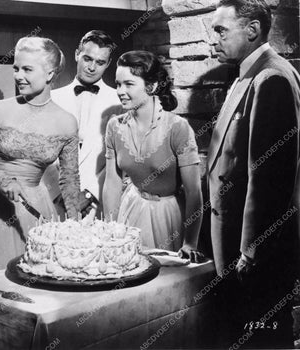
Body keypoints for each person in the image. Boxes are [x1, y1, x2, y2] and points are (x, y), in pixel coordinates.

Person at [208, 0, 300, 347]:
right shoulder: (248, 73)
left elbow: (271, 176)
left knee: (259, 338)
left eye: (220, 30)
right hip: (232, 242)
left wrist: (252, 250)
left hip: (254, 252)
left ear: (252, 30)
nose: (212, 40)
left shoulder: (271, 76)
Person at [0, 37, 81, 277]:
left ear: (49, 73)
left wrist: (75, 226)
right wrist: (0, 177)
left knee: (35, 282)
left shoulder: (66, 122)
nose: (18, 75)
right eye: (16, 68)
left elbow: (70, 181)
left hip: (35, 209)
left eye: (27, 69)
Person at [103, 50, 204, 262]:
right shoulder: (114, 126)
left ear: (151, 86)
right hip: (131, 208)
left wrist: (190, 242)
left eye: (129, 84)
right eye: (118, 84)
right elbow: (112, 182)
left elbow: (194, 191)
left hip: (168, 215)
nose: (120, 91)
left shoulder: (177, 128)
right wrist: (109, 229)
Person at [43, 30, 121, 216]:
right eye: (87, 59)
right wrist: (60, 194)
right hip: (55, 201)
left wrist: (89, 194)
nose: (92, 67)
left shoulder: (119, 102)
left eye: (100, 62)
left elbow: (119, 159)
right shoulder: (50, 98)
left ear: (108, 64)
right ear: (77, 54)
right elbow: (41, 152)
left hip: (98, 203)